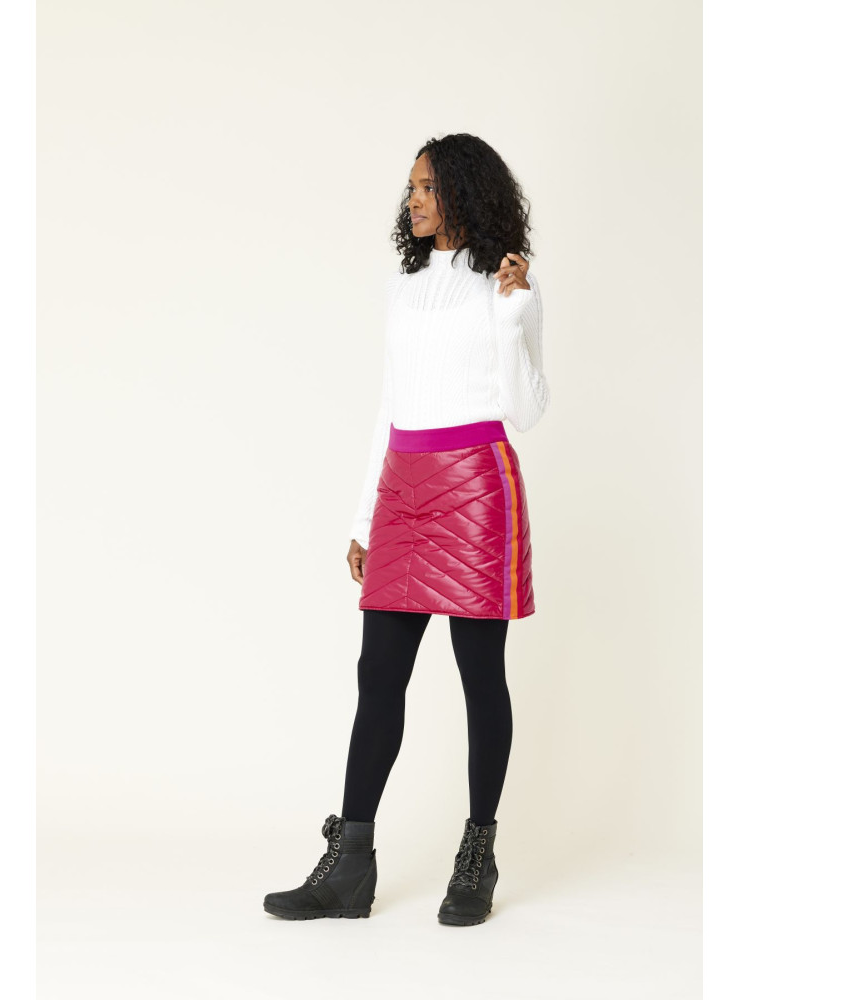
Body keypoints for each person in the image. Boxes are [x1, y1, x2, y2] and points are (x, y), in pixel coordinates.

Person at [263, 133, 549, 926]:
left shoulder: (507, 282)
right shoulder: (403, 287)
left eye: (427, 186)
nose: (413, 199)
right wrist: (365, 516)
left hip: (475, 486)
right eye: (412, 187)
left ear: (463, 190)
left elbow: (525, 410)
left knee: (479, 676)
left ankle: (477, 856)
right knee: (378, 675)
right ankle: (350, 867)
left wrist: (515, 313)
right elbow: (389, 408)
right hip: (403, 487)